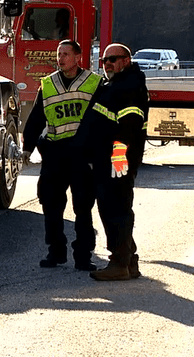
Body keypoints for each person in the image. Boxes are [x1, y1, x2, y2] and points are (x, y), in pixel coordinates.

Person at [21, 39, 102, 271]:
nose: (61, 58)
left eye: (66, 54)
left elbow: (100, 119)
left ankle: (83, 256)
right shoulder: (47, 85)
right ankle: (55, 252)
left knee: (83, 206)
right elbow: (36, 117)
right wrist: (27, 147)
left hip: (81, 153)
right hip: (55, 152)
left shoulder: (94, 83)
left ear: (78, 57)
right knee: (51, 205)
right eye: (59, 54)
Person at [79, 43, 149, 281]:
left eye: (112, 59)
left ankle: (119, 263)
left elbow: (129, 123)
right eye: (104, 61)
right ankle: (129, 261)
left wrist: (119, 154)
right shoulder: (116, 83)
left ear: (125, 61)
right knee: (115, 208)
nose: (107, 64)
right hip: (106, 159)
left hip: (116, 162)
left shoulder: (129, 86)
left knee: (115, 210)